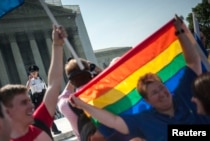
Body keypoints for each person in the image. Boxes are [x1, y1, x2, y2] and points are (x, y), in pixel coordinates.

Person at [69, 16, 210, 140]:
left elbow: (193, 62)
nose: (161, 93)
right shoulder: (145, 120)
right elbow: (113, 121)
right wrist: (83, 105)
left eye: (161, 88)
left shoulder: (183, 94)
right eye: (154, 93)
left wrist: (180, 33)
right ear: (147, 100)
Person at [0, 24, 66, 141]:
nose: (31, 105)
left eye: (28, 101)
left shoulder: (39, 121)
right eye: (24, 102)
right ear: (7, 112)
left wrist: (57, 45)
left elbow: (54, 84)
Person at [57, 58, 104, 141]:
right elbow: (110, 79)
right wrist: (95, 68)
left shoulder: (65, 104)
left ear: (71, 81)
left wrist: (73, 77)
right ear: (89, 74)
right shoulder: (102, 92)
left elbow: (63, 96)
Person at [26, 64, 61, 135]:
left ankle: (55, 130)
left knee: (48, 114)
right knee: (38, 117)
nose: (33, 73)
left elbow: (45, 88)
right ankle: (41, 132)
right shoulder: (30, 81)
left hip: (42, 99)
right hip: (35, 101)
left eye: (34, 71)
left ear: (37, 72)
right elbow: (26, 89)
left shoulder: (41, 79)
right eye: (32, 72)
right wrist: (29, 80)